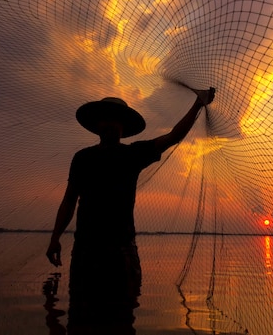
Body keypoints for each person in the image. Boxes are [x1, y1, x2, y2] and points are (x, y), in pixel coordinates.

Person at [46, 88, 215, 333]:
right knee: (80, 318)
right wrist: (54, 239)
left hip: (121, 253)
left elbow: (174, 136)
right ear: (97, 125)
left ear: (123, 127)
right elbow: (69, 200)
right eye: (105, 119)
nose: (110, 125)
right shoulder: (82, 158)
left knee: (122, 320)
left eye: (116, 120)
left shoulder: (133, 154)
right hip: (86, 251)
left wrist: (198, 104)